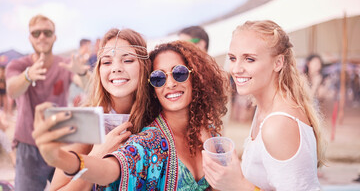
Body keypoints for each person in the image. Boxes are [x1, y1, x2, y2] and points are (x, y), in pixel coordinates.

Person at [32, 40, 229, 190]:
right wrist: (62, 158)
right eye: (159, 77)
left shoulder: (211, 135)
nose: (169, 83)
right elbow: (111, 169)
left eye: (179, 73)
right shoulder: (147, 140)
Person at [203, 20, 326, 191]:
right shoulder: (264, 109)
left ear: (278, 63)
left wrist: (239, 185)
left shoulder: (278, 124)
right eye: (232, 58)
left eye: (250, 59)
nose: (236, 69)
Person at [47, 28, 151, 190]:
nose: (116, 68)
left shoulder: (158, 118)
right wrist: (96, 159)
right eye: (107, 62)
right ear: (99, 70)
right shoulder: (84, 120)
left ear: (144, 66)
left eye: (128, 60)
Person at [5, 14, 90, 191]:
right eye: (36, 33)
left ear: (54, 36)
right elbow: (12, 90)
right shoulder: (18, 65)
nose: (42, 37)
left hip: (61, 141)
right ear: (29, 37)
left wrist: (82, 73)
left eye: (47, 32)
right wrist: (27, 76)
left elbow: (88, 87)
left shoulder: (64, 64)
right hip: (28, 144)